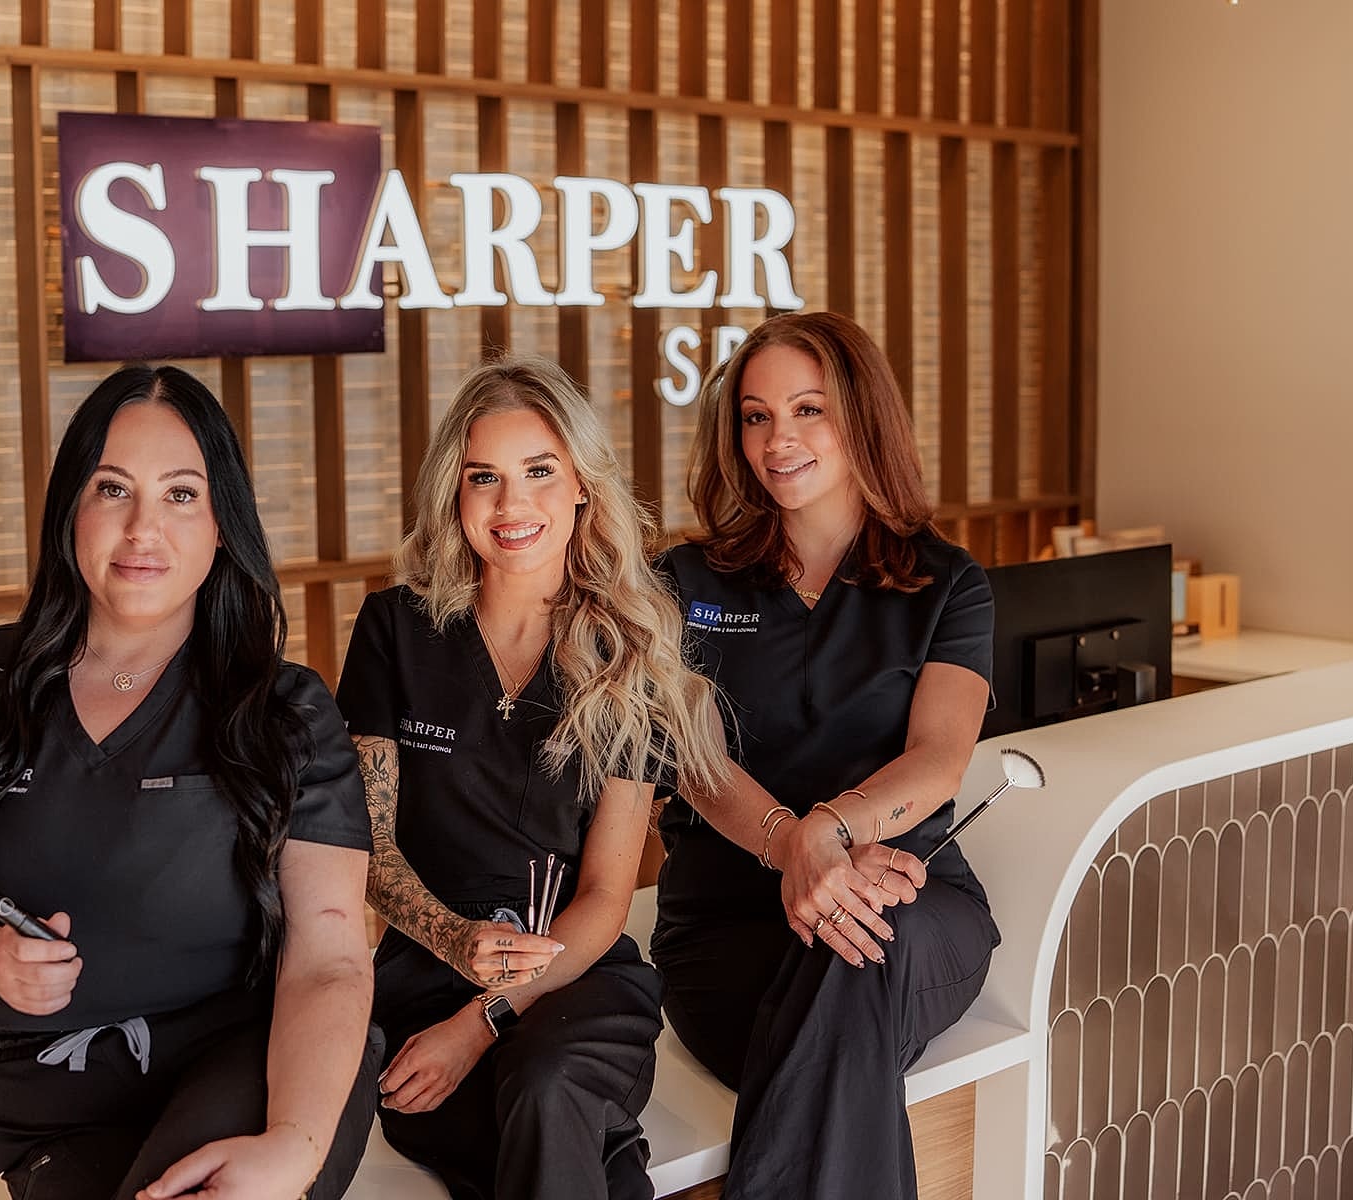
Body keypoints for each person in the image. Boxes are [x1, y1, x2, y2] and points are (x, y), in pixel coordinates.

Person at [0, 365, 383, 1200]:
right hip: (48, 1100)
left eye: (180, 495)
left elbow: (331, 957)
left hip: (254, 1069)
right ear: (71, 510)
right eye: (112, 488)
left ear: (223, 525)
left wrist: (295, 1145)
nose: (142, 528)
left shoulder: (285, 712)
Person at [335, 355, 728, 1200]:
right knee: (574, 1151)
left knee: (548, 1089)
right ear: (456, 492)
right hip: (418, 985)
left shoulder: (629, 657)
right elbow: (365, 843)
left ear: (582, 485)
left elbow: (605, 897)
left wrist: (479, 1025)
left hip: (574, 980)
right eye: (485, 478)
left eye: (539, 473)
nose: (512, 506)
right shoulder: (395, 629)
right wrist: (451, 943)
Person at [651, 312, 1001, 1199]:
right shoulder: (684, 584)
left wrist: (830, 834)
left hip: (911, 906)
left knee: (858, 946)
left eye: (809, 409)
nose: (781, 440)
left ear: (862, 416)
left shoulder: (947, 581)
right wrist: (787, 845)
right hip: (727, 929)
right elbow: (692, 757)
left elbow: (939, 757)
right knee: (846, 971)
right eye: (757, 415)